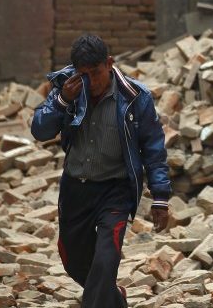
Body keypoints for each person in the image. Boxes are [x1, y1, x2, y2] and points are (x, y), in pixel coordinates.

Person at [31, 35, 171, 308]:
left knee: (106, 259)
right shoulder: (67, 89)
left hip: (115, 191)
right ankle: (115, 299)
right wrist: (61, 100)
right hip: (76, 188)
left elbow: (153, 149)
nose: (91, 82)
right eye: (83, 75)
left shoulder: (135, 97)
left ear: (109, 64)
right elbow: (40, 130)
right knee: (74, 262)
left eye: (95, 73)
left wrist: (160, 197)